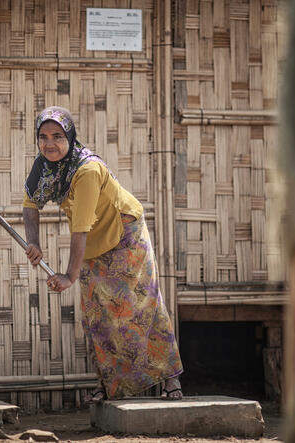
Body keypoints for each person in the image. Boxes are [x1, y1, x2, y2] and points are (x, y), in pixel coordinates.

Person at [22, 106, 183, 402]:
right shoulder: (43, 167)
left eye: (58, 136)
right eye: (43, 137)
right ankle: (109, 384)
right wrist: (33, 243)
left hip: (125, 234)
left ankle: (171, 380)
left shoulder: (87, 171)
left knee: (142, 304)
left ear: (70, 137)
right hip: (94, 240)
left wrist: (69, 276)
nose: (50, 144)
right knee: (97, 313)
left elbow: (79, 229)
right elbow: (30, 205)